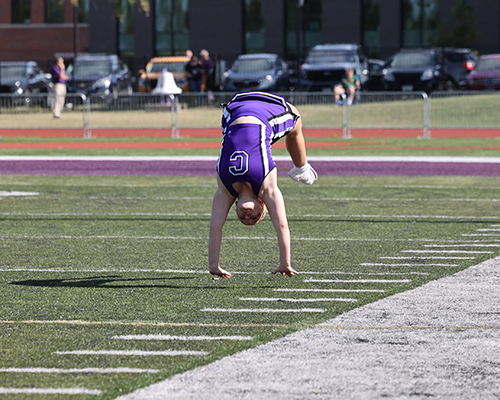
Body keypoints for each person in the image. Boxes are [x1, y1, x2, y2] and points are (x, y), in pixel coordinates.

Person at [209, 91, 318, 279]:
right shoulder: (266, 187)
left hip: (236, 105)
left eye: (244, 219)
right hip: (271, 109)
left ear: (233, 207)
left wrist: (214, 265)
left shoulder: (225, 190)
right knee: (296, 120)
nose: (247, 216)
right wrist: (285, 263)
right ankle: (302, 168)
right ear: (263, 204)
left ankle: (301, 167)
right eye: (255, 216)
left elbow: (215, 227)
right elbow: (281, 225)